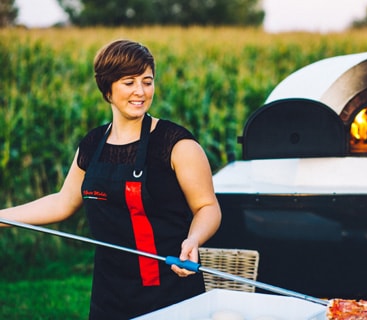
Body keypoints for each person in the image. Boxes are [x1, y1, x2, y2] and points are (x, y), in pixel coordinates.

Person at [0, 39, 222, 319]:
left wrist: (193, 240)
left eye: (147, 81)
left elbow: (208, 207)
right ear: (108, 89)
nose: (140, 91)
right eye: (129, 82)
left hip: (169, 287)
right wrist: (2, 217)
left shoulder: (177, 145)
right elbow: (62, 202)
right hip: (110, 292)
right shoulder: (92, 144)